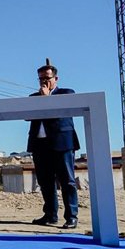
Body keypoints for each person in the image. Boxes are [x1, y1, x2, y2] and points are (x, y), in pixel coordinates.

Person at [28, 63, 80, 229]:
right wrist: (41, 98)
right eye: (41, 78)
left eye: (47, 78)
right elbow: (27, 116)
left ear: (55, 79)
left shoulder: (67, 93)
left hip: (61, 144)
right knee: (45, 182)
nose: (44, 82)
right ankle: (50, 214)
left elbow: (62, 111)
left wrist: (47, 99)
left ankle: (71, 216)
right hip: (40, 145)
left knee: (67, 181)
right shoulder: (33, 98)